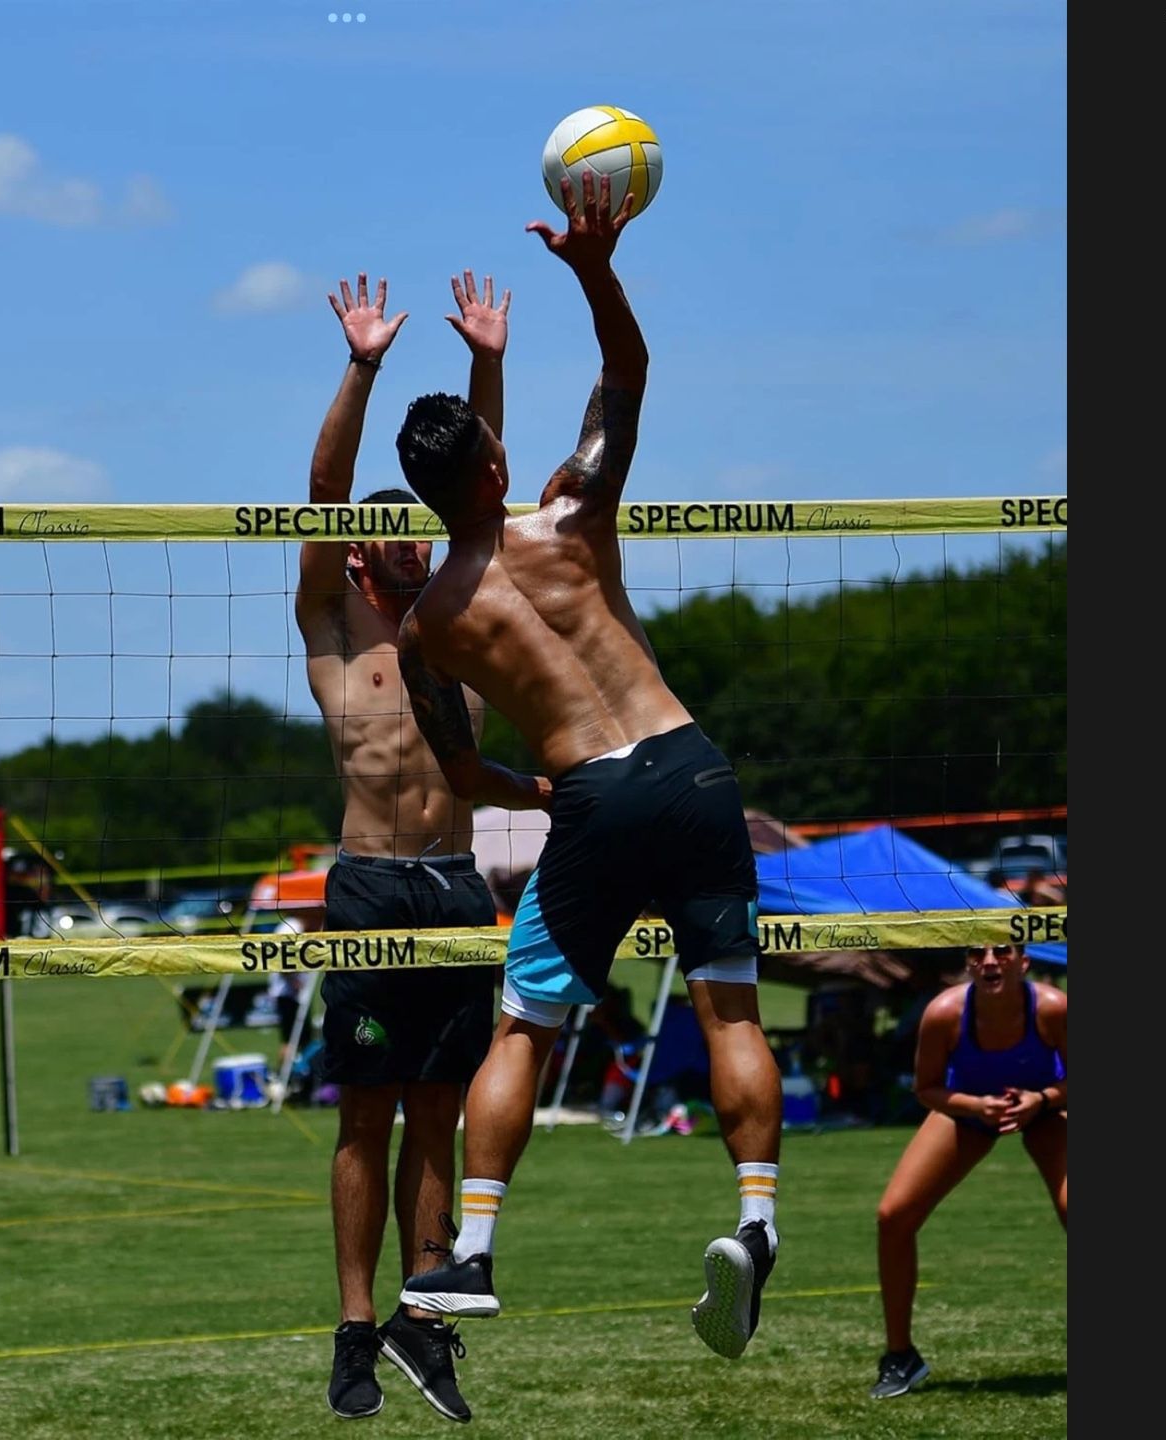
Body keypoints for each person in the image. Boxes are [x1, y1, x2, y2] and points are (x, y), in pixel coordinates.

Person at [388, 173, 786, 1362]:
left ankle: (473, 1255)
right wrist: (594, 270)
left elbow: (461, 780)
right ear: (502, 465)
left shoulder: (429, 631)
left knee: (524, 1032)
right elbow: (626, 378)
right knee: (729, 1004)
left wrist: (535, 792)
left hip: (594, 800)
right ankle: (756, 1225)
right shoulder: (572, 517)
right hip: (693, 765)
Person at [296, 270, 550, 1423]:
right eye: (386, 532)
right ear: (359, 559)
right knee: (365, 1116)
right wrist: (364, 364)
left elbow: (479, 482)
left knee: (438, 1116)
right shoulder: (338, 636)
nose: (407, 536)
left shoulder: (460, 609)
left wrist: (486, 362)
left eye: (416, 525)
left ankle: (426, 1321)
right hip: (365, 886)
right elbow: (323, 487)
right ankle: (355, 1328)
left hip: (449, 886)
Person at [870, 941, 1066, 1399]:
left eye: (1003, 951)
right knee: (892, 1217)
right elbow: (927, 1089)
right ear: (967, 963)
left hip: (1045, 1106)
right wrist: (978, 1107)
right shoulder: (943, 1013)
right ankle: (901, 1357)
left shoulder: (1054, 1008)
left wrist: (1042, 1100)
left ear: (1024, 961)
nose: (991, 961)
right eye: (978, 953)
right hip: (969, 1107)